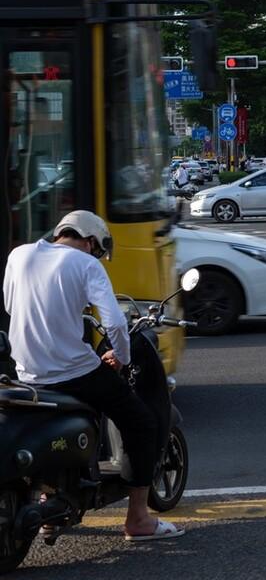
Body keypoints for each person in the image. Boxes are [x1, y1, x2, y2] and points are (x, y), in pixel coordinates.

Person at [2, 211, 183, 541]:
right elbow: (114, 322)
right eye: (98, 251)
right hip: (73, 373)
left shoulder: (19, 254)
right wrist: (122, 357)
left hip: (26, 373)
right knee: (141, 423)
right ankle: (139, 519)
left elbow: (13, 308)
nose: (96, 257)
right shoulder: (86, 264)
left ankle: (50, 501)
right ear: (89, 241)